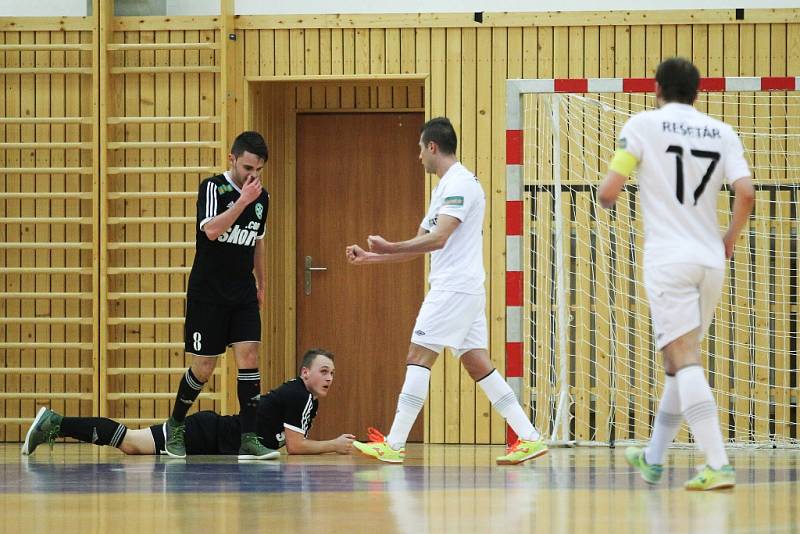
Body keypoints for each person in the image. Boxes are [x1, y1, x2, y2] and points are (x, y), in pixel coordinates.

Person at [345, 117, 547, 465]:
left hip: (454, 288)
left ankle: (394, 444)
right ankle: (529, 437)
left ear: (432, 147)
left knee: (418, 356)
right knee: (476, 363)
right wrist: (373, 258)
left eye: (419, 150)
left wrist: (389, 246)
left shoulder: (460, 184)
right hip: (461, 288)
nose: (418, 157)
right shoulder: (444, 188)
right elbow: (424, 245)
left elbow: (438, 238)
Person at [597, 57, 755, 490]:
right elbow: (746, 193)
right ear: (697, 93)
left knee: (685, 358)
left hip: (669, 260)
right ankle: (653, 457)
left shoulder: (644, 125)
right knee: (676, 359)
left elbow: (610, 190)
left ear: (656, 88)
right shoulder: (723, 132)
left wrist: (607, 193)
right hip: (711, 260)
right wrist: (730, 238)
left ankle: (718, 463)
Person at [21, 349, 355, 457]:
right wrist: (335, 445)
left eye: (334, 374)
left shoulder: (300, 395)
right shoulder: (300, 395)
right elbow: (294, 447)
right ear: (305, 372)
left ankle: (56, 423)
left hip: (211, 434)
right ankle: (55, 423)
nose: (329, 378)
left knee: (132, 443)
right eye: (323, 371)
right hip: (206, 434)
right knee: (132, 444)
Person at [165, 131, 273, 460]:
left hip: (241, 291)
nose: (252, 176)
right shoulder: (214, 188)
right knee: (204, 367)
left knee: (250, 357)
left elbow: (257, 240)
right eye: (247, 168)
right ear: (232, 159)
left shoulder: (263, 198)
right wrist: (242, 201)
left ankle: (249, 436)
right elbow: (211, 230)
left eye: (258, 170)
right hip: (208, 293)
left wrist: (262, 282)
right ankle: (176, 424)